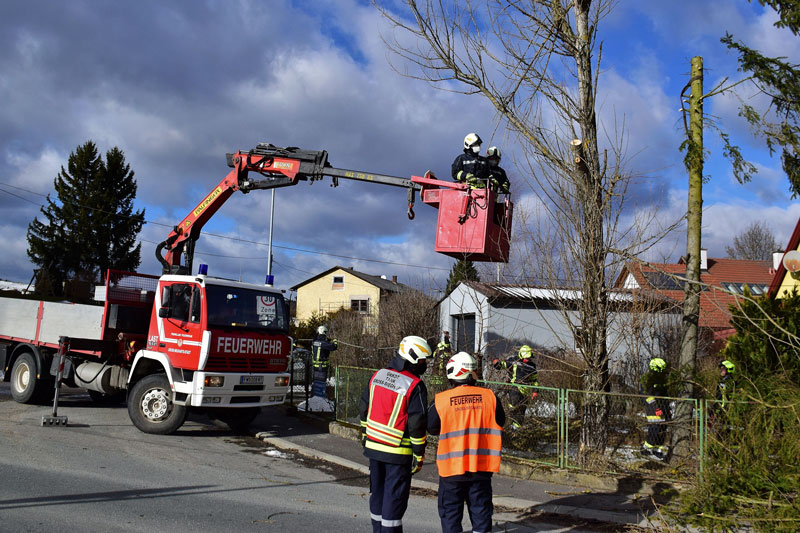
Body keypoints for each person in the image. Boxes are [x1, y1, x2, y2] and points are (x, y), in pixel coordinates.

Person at [359, 335, 432, 533]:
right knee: (394, 498)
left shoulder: (377, 375)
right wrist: (419, 454)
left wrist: (365, 435)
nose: (425, 365)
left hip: (373, 448)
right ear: (413, 358)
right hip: (398, 453)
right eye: (423, 360)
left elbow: (364, 409)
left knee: (377, 493)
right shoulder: (414, 385)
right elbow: (417, 423)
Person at [428, 352, 505, 533]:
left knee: (450, 515)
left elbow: (431, 428)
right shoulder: (490, 397)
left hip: (451, 470)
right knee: (481, 513)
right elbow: (500, 421)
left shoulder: (441, 400)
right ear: (473, 372)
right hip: (481, 468)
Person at [492, 345, 539, 429]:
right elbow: (503, 365)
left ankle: (516, 428)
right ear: (521, 355)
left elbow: (534, 380)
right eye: (525, 358)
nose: (527, 360)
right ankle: (510, 420)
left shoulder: (532, 366)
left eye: (528, 358)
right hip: (514, 387)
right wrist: (496, 363)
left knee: (522, 410)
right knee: (514, 405)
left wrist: (535, 391)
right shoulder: (514, 360)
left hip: (526, 391)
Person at [640, 357, 670, 460]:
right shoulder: (648, 380)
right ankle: (646, 448)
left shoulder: (662, 380)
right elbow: (647, 396)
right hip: (653, 409)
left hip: (664, 408)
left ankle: (658, 450)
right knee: (654, 429)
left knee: (662, 429)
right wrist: (656, 408)